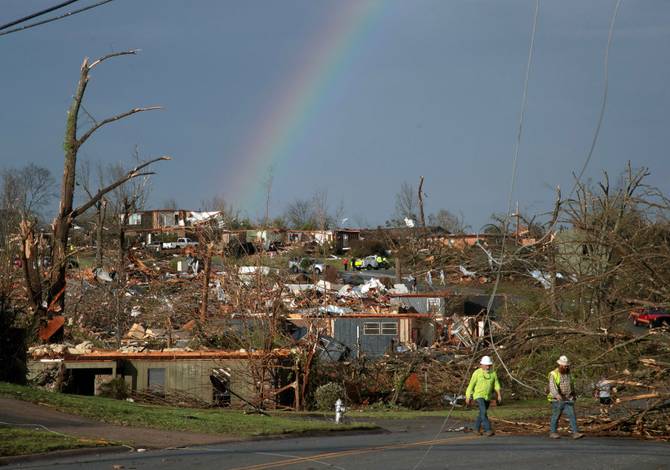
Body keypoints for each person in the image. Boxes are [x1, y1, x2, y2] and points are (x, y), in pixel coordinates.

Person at [548, 355, 584, 439]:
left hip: (568, 399)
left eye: (567, 365)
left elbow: (571, 385)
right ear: (560, 365)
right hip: (556, 399)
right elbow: (552, 386)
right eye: (565, 365)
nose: (566, 367)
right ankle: (553, 432)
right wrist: (557, 395)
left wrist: (573, 394)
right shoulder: (553, 374)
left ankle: (575, 433)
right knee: (556, 415)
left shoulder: (569, 374)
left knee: (572, 415)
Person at [466, 356, 502, 436]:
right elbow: (470, 386)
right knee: (483, 411)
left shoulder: (493, 373)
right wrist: (468, 396)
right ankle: (488, 429)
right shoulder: (477, 373)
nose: (488, 367)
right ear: (481, 365)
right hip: (478, 396)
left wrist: (499, 395)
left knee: (481, 413)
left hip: (487, 397)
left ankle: (476, 429)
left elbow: (496, 385)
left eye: (489, 365)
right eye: (486, 365)